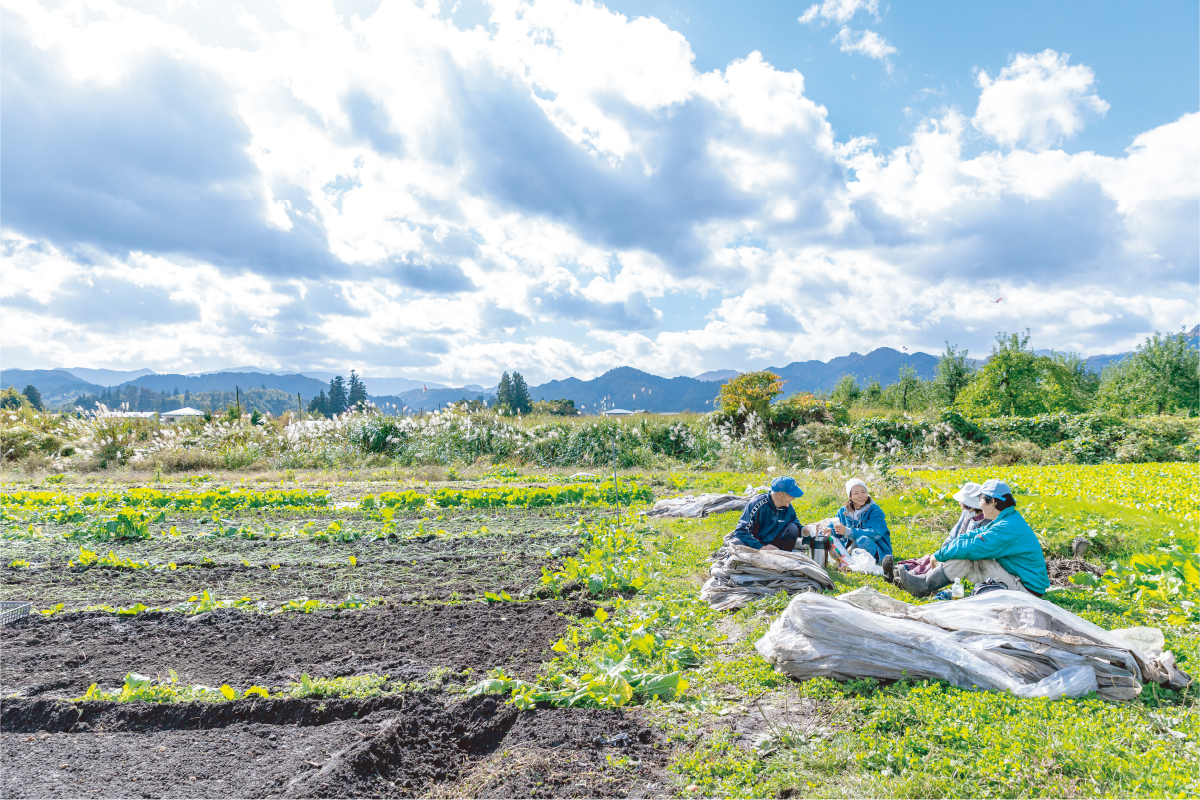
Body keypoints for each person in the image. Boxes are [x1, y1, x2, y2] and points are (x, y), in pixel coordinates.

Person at [895, 479, 1050, 598]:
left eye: (981, 500)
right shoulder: (1007, 518)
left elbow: (973, 547)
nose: (979, 505)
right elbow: (973, 535)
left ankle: (923, 585)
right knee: (963, 553)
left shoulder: (1007, 526)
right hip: (1017, 578)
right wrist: (945, 550)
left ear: (993, 501)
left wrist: (939, 555)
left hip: (1026, 590)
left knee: (966, 556)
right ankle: (922, 582)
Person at [883, 482, 987, 582]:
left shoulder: (986, 522)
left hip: (961, 556)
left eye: (962, 502)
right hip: (951, 549)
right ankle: (898, 570)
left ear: (970, 505)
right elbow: (953, 534)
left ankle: (907, 576)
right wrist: (945, 549)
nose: (960, 504)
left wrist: (947, 554)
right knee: (927, 560)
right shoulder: (966, 515)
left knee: (935, 566)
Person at [726, 476, 804, 551]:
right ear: (780, 494)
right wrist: (760, 547)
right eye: (792, 495)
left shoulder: (788, 508)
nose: (794, 498)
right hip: (754, 545)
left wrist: (804, 531)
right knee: (736, 543)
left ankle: (783, 558)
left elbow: (796, 526)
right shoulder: (757, 503)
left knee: (792, 528)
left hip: (774, 546)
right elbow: (741, 531)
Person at [833, 478, 891, 564]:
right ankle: (849, 556)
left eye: (863, 492)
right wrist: (830, 530)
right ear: (850, 496)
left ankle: (875, 559)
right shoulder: (843, 511)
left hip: (873, 547)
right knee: (827, 539)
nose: (861, 496)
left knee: (862, 540)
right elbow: (833, 527)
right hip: (850, 547)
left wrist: (848, 531)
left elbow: (875, 532)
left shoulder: (875, 511)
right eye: (856, 493)